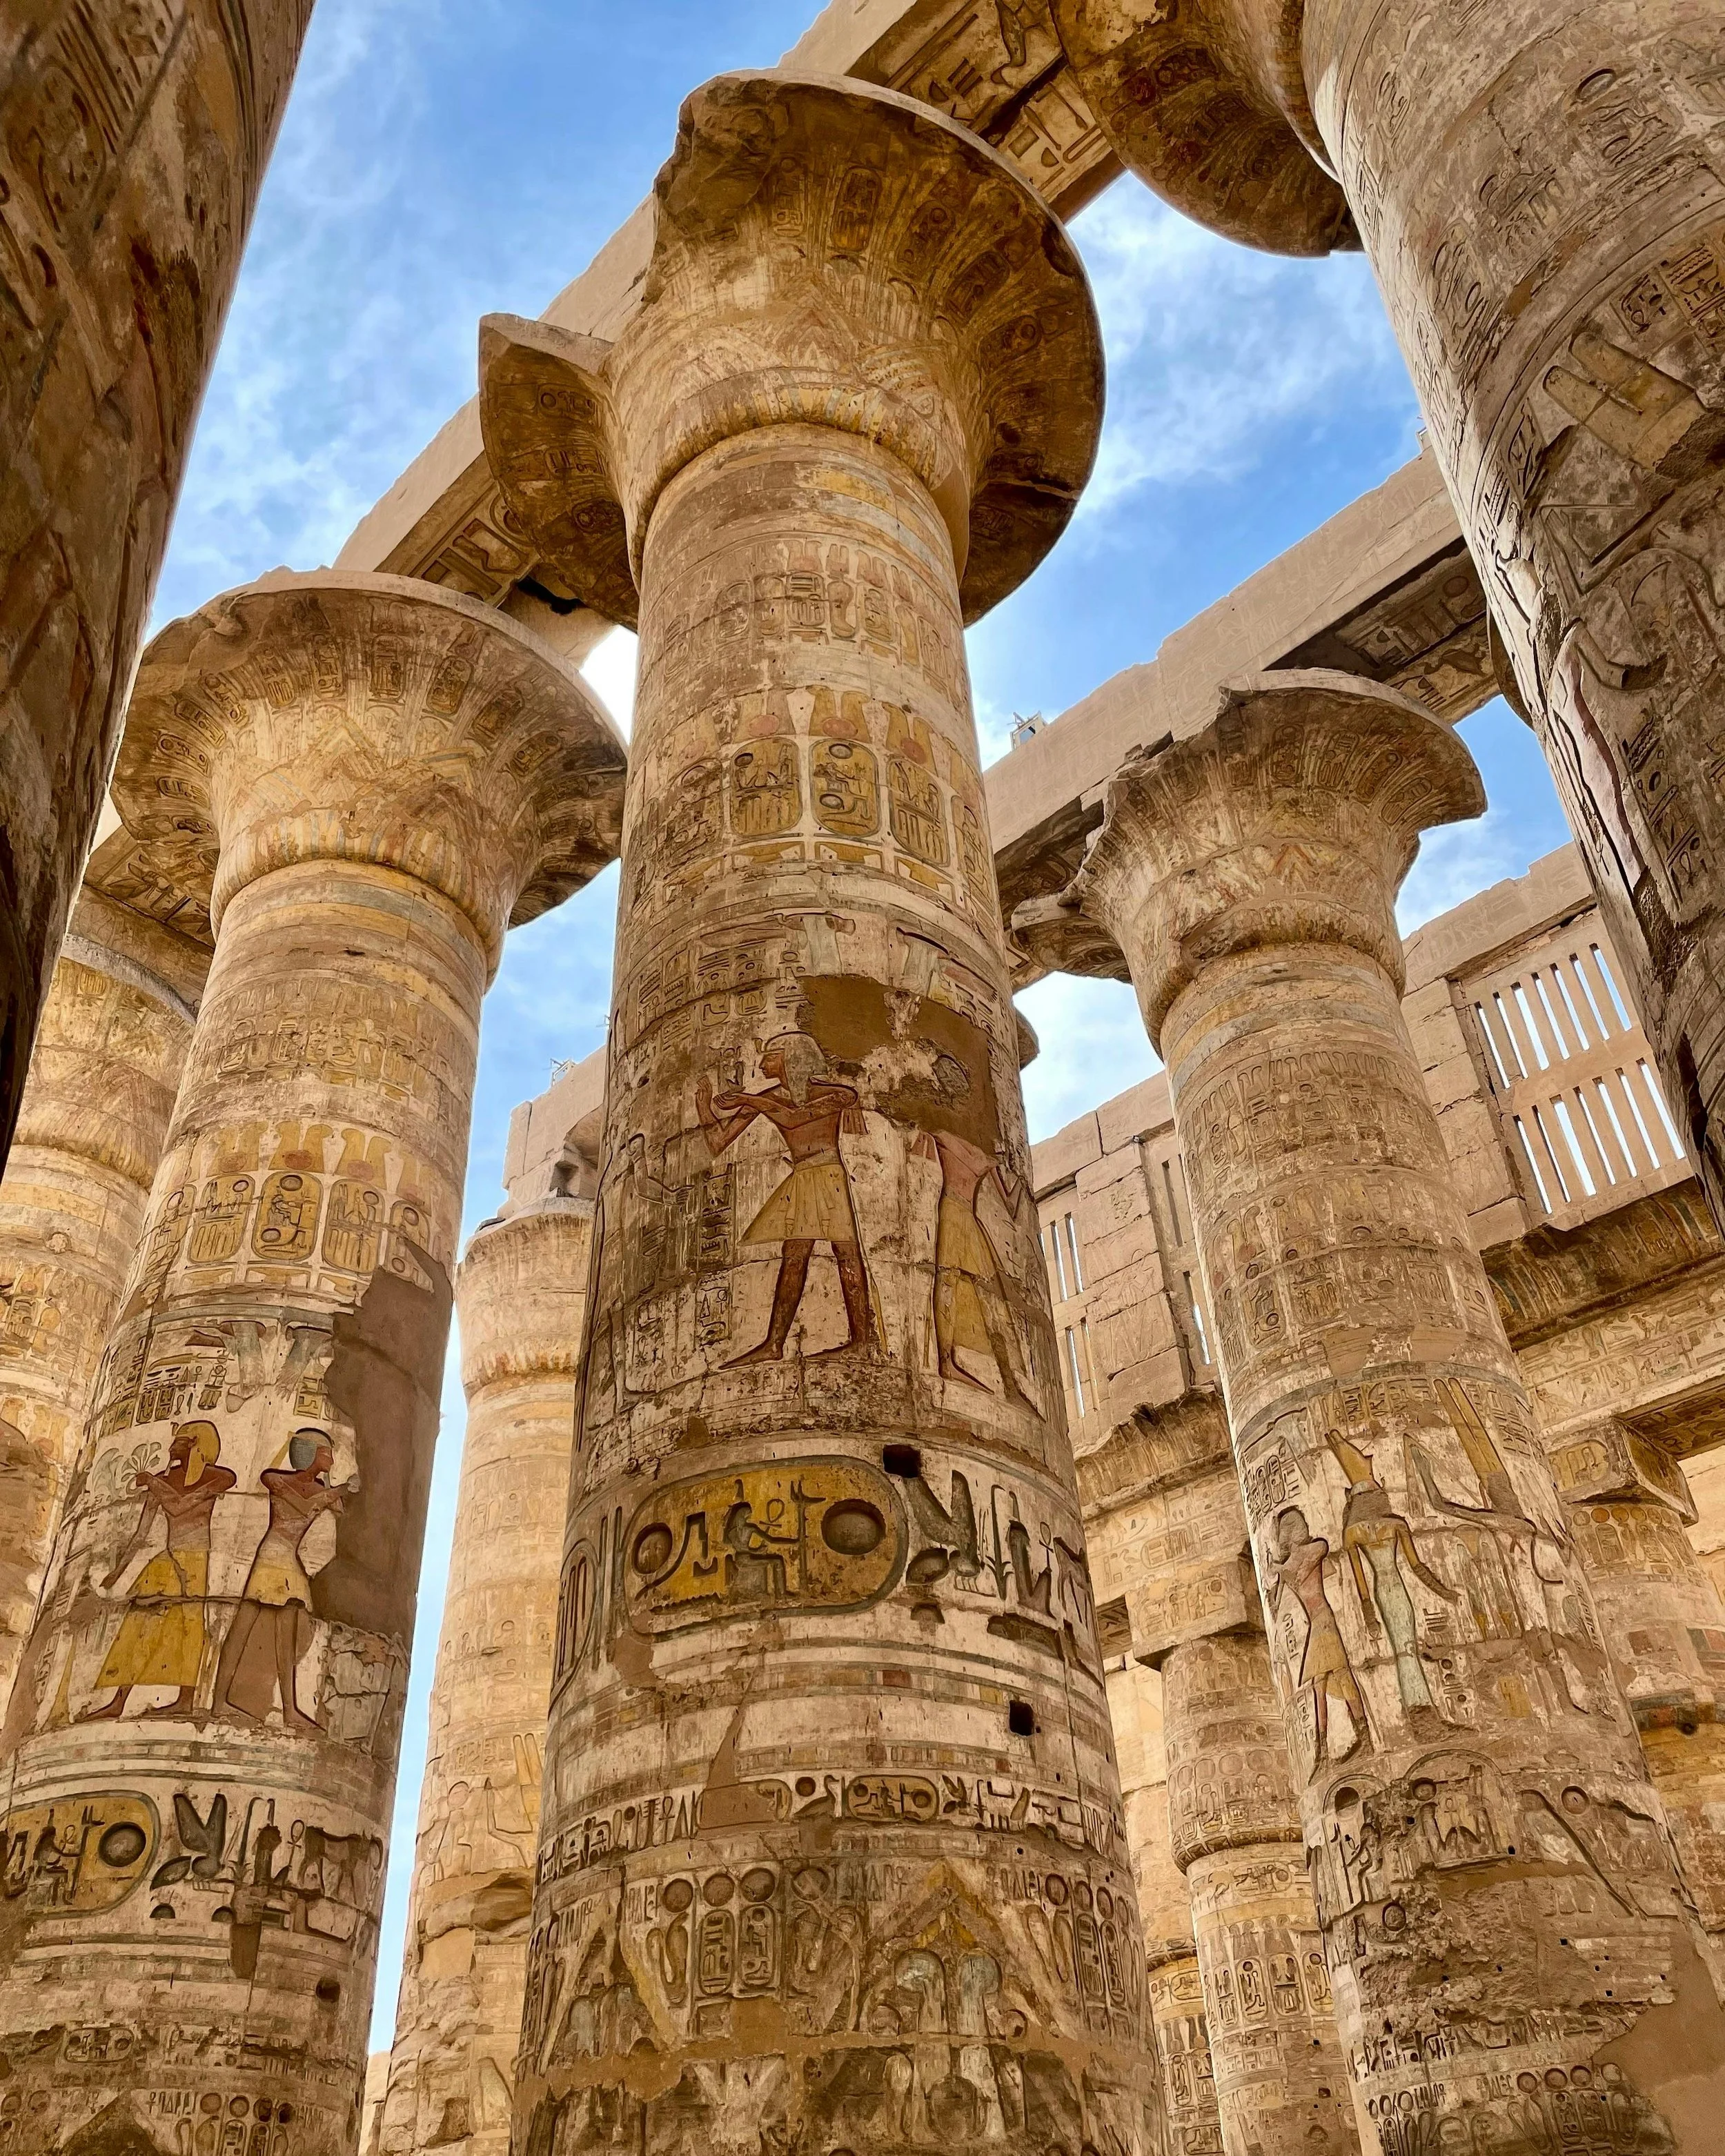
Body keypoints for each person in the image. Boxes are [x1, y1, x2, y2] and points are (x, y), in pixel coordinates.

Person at [698, 1033, 873, 1363]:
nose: (762, 1064)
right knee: (793, 1256)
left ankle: (861, 1341)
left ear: (792, 1058)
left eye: (770, 1056)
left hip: (828, 1173)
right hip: (803, 1176)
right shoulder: (768, 1098)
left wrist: (751, 1101)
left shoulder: (835, 1094)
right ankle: (774, 1343)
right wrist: (703, 1108)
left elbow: (796, 1117)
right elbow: (718, 1141)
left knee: (846, 1254)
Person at [81, 1420, 236, 1721]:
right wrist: (118, 1572)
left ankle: (185, 1700)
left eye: (178, 1443)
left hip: (194, 1561)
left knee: (189, 1630)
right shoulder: (165, 1480)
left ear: (196, 1445)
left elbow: (180, 1506)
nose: (170, 1449)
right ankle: (118, 1701)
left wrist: (154, 1483)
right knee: (139, 1627)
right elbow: (141, 1534)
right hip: (167, 1559)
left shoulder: (219, 1477)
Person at [213, 1428, 356, 1730]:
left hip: (289, 1559)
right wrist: (339, 1489)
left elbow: (338, 1510)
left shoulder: (321, 1489)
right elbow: (303, 1506)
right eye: (327, 1452)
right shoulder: (276, 1479)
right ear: (310, 1454)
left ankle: (291, 1710)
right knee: (242, 1625)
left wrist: (330, 1485)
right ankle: (218, 1701)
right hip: (271, 1555)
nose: (332, 1458)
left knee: (286, 1637)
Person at [914, 1053, 1032, 1404]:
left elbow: (1010, 1204)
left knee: (976, 1295)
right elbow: (1011, 1203)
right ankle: (949, 1363)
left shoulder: (957, 1141)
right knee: (958, 1287)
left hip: (960, 1215)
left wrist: (1015, 1175)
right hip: (957, 1214)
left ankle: (1004, 1382)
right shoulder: (957, 1141)